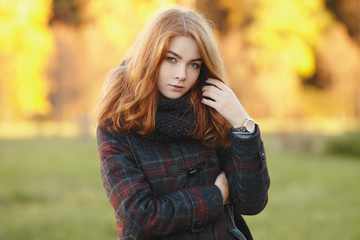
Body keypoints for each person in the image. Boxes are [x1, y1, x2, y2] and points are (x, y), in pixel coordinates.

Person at [95, 5, 270, 240]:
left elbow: (252, 202)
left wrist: (242, 123)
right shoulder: (118, 122)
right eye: (171, 59)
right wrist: (215, 196)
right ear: (150, 56)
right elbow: (141, 218)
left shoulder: (212, 112)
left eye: (194, 64)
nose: (182, 75)